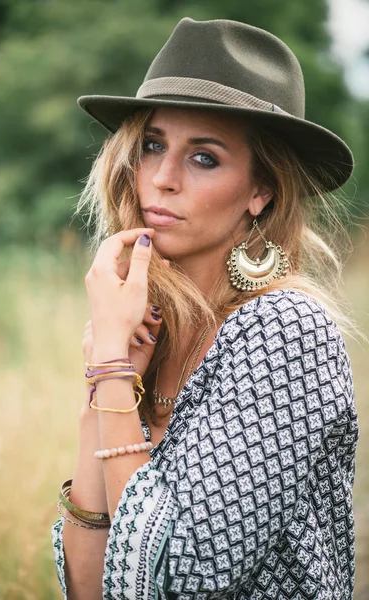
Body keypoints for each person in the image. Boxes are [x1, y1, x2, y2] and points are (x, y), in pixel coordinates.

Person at [52, 17, 358, 600]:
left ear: (260, 190)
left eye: (205, 158)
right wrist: (106, 373)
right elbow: (88, 588)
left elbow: (184, 581)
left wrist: (114, 377)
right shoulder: (148, 335)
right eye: (152, 145)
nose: (162, 179)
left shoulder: (287, 331)